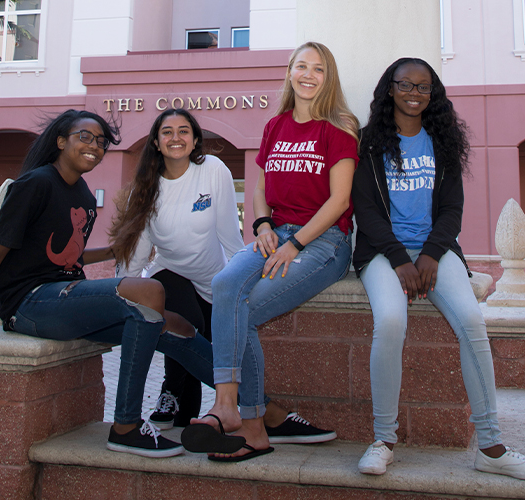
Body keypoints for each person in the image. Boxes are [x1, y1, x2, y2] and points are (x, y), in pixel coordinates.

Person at [0, 109, 216, 459]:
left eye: (100, 142)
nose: (95, 147)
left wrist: (114, 250)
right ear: (61, 141)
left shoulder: (83, 195)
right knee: (150, 291)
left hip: (62, 301)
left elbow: (69, 260)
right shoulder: (35, 184)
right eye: (85, 137)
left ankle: (252, 405)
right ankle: (126, 427)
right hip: (28, 305)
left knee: (178, 326)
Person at [352, 58, 525, 480]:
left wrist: (430, 255)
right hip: (383, 253)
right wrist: (401, 259)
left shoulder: (441, 141)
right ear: (390, 88)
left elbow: (452, 210)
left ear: (432, 95)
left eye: (423, 88)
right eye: (405, 84)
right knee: (389, 321)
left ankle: (491, 447)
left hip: (435, 251)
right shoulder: (368, 142)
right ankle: (383, 439)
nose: (414, 93)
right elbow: (365, 211)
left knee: (472, 322)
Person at [181, 41, 359, 462]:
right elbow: (260, 187)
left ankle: (253, 422)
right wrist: (261, 225)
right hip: (275, 233)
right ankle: (230, 408)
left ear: (328, 77)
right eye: (302, 66)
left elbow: (338, 201)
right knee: (226, 284)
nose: (309, 75)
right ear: (290, 73)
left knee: (247, 307)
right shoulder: (275, 125)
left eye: (318, 68)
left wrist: (296, 243)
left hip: (325, 241)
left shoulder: (340, 127)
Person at [112, 108, 334, 444]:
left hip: (214, 279)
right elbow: (138, 250)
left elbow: (231, 234)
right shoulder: (145, 188)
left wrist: (241, 280)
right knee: (180, 316)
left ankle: (198, 405)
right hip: (170, 274)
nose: (176, 138)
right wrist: (118, 290)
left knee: (215, 349)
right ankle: (245, 409)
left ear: (196, 139)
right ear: (156, 143)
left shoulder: (213, 170)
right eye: (167, 132)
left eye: (184, 131)